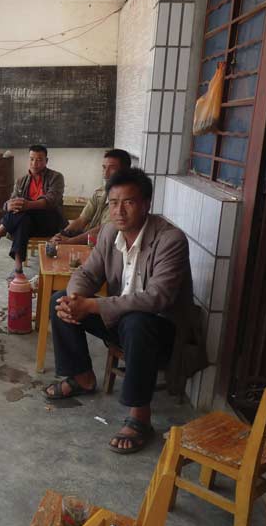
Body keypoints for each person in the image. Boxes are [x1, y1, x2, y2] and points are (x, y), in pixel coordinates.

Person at [45, 167, 193, 455]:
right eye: (114, 203)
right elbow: (88, 273)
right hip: (120, 319)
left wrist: (94, 305)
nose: (119, 210)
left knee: (138, 322)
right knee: (59, 299)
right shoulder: (110, 232)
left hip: (159, 331)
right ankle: (82, 376)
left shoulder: (170, 240)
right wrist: (75, 299)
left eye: (129, 202)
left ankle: (140, 416)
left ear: (146, 204)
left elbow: (157, 298)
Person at [0, 144, 66, 278]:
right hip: (29, 223)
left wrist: (27, 205)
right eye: (31, 159)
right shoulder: (21, 181)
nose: (35, 163)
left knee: (22, 212)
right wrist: (8, 206)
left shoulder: (56, 177)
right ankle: (18, 270)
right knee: (22, 219)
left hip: (49, 222)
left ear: (46, 161)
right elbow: (11, 201)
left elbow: (51, 201)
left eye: (39, 159)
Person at [52, 148, 131, 245]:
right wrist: (62, 234)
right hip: (88, 241)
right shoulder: (100, 193)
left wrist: (69, 241)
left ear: (125, 171)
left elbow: (102, 231)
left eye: (112, 168)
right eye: (104, 167)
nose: (105, 173)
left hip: (105, 246)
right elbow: (82, 219)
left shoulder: (125, 200)